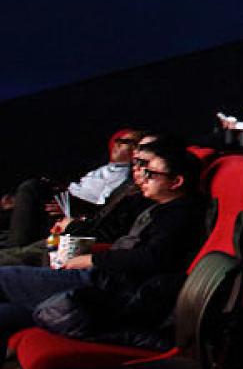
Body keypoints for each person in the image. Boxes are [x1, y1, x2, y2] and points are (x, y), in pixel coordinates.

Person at [0, 138, 206, 348]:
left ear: (176, 182)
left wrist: (90, 259)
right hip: (104, 278)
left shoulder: (181, 214)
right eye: (139, 167)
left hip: (103, 287)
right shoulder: (162, 206)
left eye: (149, 173)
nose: (140, 177)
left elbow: (153, 257)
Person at [5, 129, 143, 250]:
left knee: (32, 187)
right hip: (64, 199)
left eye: (126, 141)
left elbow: (107, 209)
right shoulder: (96, 167)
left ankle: (13, 252)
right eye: (117, 140)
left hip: (77, 212)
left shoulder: (131, 177)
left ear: (138, 149)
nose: (117, 144)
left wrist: (73, 207)